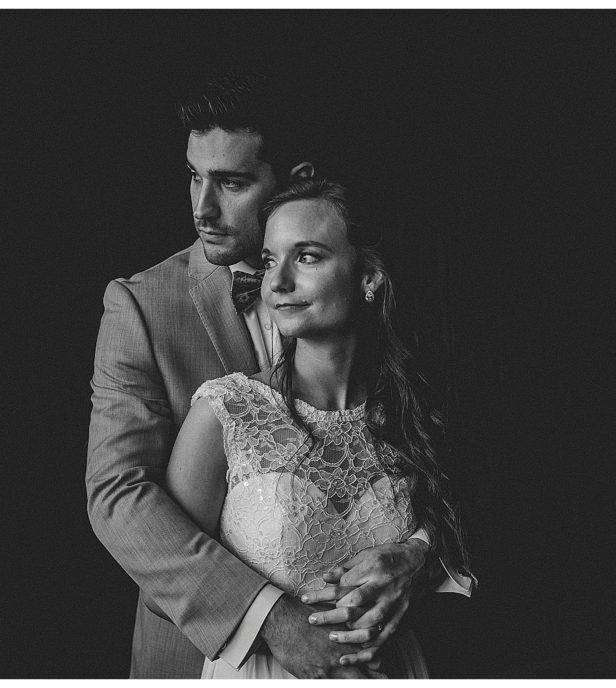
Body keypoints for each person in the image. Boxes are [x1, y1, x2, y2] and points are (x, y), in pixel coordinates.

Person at [86, 71, 471, 679]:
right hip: (207, 654)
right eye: (194, 176)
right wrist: (269, 619)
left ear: (295, 179)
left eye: (231, 183)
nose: (202, 208)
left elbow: (459, 470)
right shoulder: (141, 305)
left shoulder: (387, 319)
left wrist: (419, 559)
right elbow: (118, 495)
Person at [164, 178, 473, 678]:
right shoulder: (227, 411)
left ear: (369, 276)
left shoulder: (414, 409)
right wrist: (271, 622)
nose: (277, 282)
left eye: (306, 257)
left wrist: (421, 558)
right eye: (270, 261)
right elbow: (166, 580)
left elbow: (476, 521)